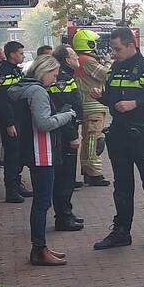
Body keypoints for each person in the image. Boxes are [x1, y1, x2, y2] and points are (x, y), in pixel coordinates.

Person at [91, 27, 144, 251]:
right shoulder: (115, 69)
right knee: (122, 186)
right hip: (119, 133)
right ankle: (121, 232)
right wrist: (102, 97)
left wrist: (135, 104)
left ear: (131, 45)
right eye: (113, 49)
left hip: (142, 134)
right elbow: (115, 102)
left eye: (118, 49)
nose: (114, 53)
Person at [8, 54, 77, 266]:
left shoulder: (20, 89)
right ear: (44, 71)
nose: (55, 80)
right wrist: (68, 115)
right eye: (54, 75)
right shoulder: (37, 92)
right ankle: (38, 248)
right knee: (42, 202)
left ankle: (41, 246)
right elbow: (43, 123)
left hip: (31, 149)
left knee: (41, 201)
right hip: (42, 151)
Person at [49, 45, 86, 231]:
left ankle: (66, 212)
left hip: (65, 131)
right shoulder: (62, 80)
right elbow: (66, 110)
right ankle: (63, 217)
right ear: (66, 59)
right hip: (65, 135)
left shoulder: (65, 76)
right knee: (65, 176)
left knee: (67, 177)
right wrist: (72, 136)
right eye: (73, 55)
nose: (77, 58)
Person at [0, 40, 32, 203]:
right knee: (12, 156)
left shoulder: (15, 71)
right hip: (12, 121)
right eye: (21, 53)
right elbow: (3, 101)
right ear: (12, 54)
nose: (23, 56)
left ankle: (17, 185)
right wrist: (9, 123)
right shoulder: (3, 74)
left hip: (19, 119)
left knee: (20, 154)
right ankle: (11, 190)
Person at [72, 29, 111, 187]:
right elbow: (107, 75)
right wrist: (108, 61)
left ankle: (88, 170)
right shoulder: (87, 60)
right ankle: (94, 174)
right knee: (94, 140)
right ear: (89, 43)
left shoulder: (81, 59)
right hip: (93, 105)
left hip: (88, 105)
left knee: (90, 139)